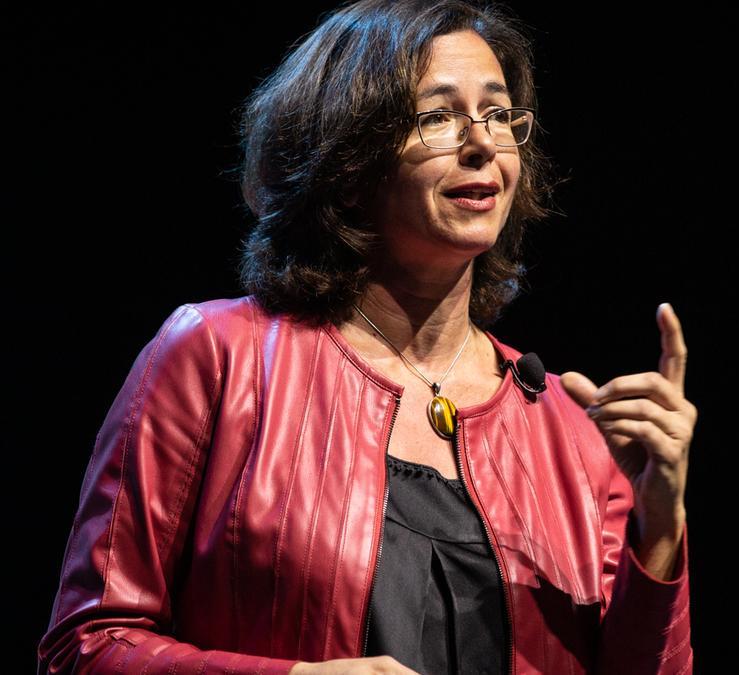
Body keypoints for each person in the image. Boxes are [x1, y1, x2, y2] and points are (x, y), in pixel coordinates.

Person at [36, 1, 695, 673]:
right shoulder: (216, 356)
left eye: (499, 115)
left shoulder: (575, 434)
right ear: (349, 165)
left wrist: (661, 529)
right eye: (438, 116)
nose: (483, 143)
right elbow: (85, 648)